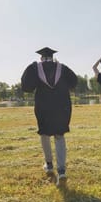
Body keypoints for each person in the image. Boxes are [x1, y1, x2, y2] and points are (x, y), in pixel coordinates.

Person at [21, 47, 77, 186]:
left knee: (44, 133)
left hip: (43, 106)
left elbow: (26, 87)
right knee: (59, 135)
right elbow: (74, 82)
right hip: (61, 106)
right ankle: (62, 171)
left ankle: (49, 165)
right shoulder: (62, 68)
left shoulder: (35, 68)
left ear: (41, 58)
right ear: (52, 57)